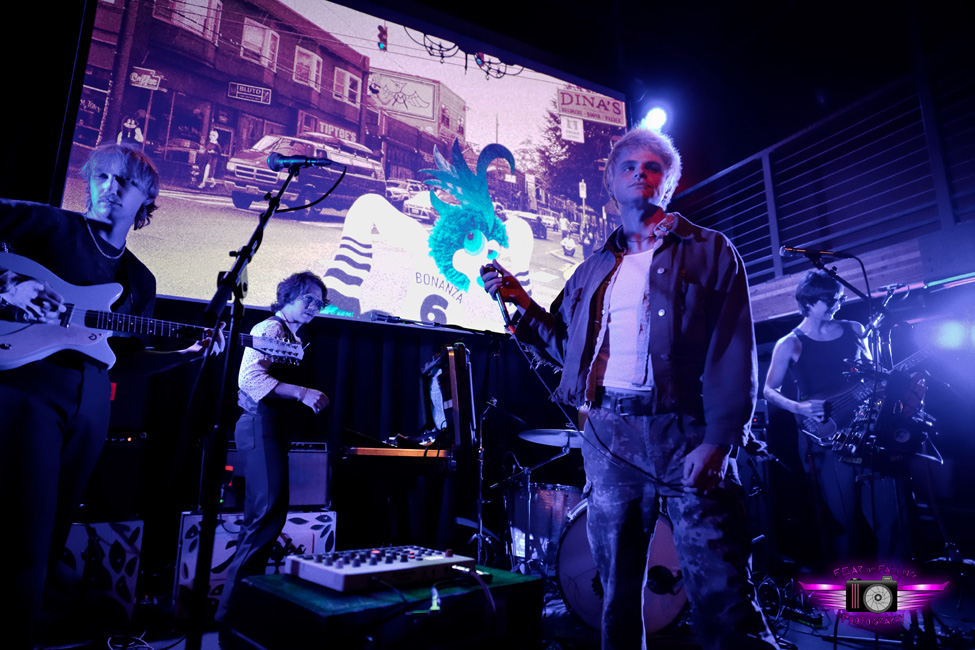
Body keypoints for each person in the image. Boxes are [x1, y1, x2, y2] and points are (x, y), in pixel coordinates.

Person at [481, 128, 778, 649]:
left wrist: (719, 442)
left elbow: (732, 349)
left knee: (721, 594)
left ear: (669, 183)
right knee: (615, 595)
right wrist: (522, 302)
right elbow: (567, 348)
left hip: (685, 432)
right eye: (629, 166)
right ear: (611, 183)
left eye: (653, 166)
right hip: (608, 437)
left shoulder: (709, 250)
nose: (640, 172)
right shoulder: (592, 269)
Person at [0, 142, 224, 649]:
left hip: (91, 401)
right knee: (23, 535)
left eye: (125, 181)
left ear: (147, 200)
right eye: (102, 176)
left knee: (53, 533)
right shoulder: (50, 225)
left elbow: (123, 358)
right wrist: (10, 284)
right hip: (29, 387)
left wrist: (185, 355)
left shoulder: (138, 280)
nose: (109, 188)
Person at [763, 270, 907, 567]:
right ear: (808, 302)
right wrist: (798, 407)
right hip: (825, 439)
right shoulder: (790, 343)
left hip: (867, 432)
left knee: (890, 517)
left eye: (839, 298)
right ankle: (848, 591)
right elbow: (768, 390)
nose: (838, 304)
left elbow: (873, 375)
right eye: (830, 300)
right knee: (842, 524)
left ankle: (892, 589)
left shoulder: (854, 329)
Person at [215, 272, 330, 628]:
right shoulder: (270, 328)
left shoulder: (292, 336)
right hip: (259, 425)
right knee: (266, 516)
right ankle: (231, 614)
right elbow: (249, 379)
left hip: (272, 430)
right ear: (288, 297)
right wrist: (301, 392)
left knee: (265, 517)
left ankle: (240, 608)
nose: (314, 307)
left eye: (319, 302)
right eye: (308, 299)